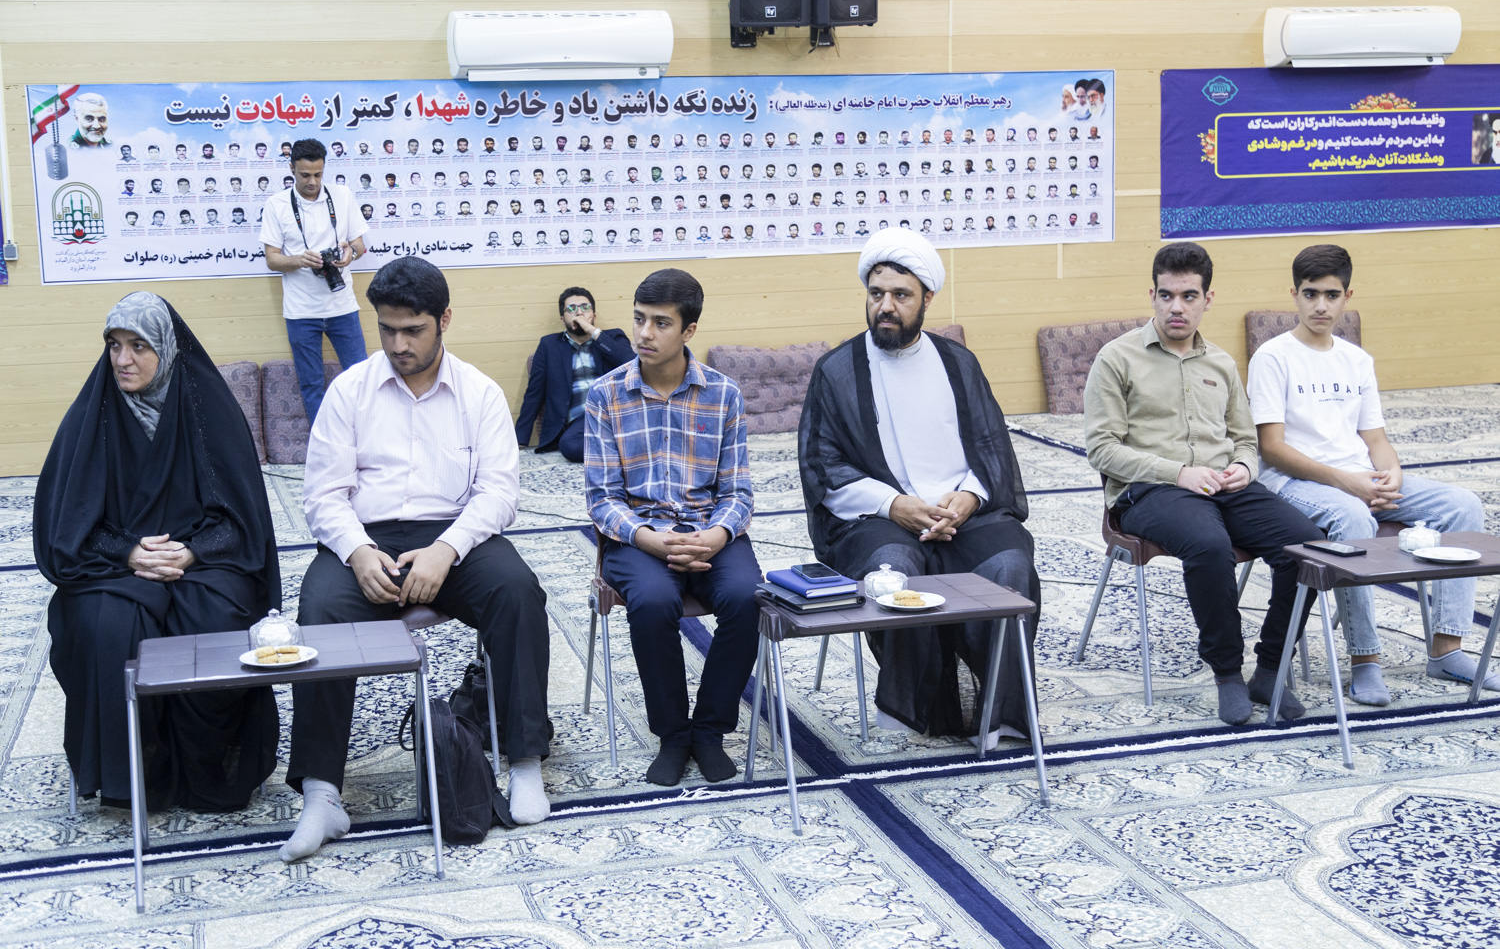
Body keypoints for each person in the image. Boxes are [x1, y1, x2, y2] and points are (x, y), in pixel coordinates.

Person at [281, 256, 552, 862]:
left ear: (444, 320)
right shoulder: (350, 391)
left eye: (413, 330)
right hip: (365, 535)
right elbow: (322, 495)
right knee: (319, 609)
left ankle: (524, 761)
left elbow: (499, 493)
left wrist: (446, 549)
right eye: (387, 329)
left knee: (517, 591)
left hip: (454, 534)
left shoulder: (479, 393)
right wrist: (357, 552)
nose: (399, 345)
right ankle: (322, 794)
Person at [34, 293, 280, 811]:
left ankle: (206, 769)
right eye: (114, 345)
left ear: (166, 349)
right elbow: (65, 527)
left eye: (139, 346)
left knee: (214, 618)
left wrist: (190, 551)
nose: (122, 360)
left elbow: (243, 521)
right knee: (106, 626)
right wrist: (128, 553)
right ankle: (137, 776)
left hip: (202, 560)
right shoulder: (91, 417)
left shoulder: (208, 410)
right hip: (112, 565)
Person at [798, 228, 1041, 742]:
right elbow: (822, 464)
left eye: (901, 295)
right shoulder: (837, 371)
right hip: (876, 518)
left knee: (1009, 565)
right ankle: (913, 711)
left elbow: (992, 445)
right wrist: (893, 504)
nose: (885, 306)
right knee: (893, 570)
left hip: (963, 514)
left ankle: (1002, 715)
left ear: (927, 298)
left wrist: (969, 497)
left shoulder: (958, 362)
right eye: (876, 293)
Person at [1084, 242, 1321, 725]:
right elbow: (1102, 450)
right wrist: (1178, 473)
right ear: (1152, 295)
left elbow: (1245, 440)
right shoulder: (1116, 358)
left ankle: (1271, 669)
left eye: (1189, 296)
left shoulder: (1221, 363)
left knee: (1308, 546)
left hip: (1224, 485)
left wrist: (1245, 468)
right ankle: (1227, 673)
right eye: (1167, 295)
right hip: (1151, 490)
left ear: (1207, 299)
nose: (1177, 307)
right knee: (1209, 545)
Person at [1248, 244, 1493, 701]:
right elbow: (1272, 449)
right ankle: (1365, 659)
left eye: (1331, 295)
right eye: (1310, 294)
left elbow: (1375, 440)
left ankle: (1447, 650)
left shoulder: (1356, 360)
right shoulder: (1273, 356)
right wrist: (1349, 484)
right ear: (1294, 295)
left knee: (1462, 505)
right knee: (1353, 518)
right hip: (1293, 483)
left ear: (1347, 296)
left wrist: (1391, 473)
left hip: (1359, 477)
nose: (1321, 306)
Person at [584, 270, 760, 787]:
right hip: (637, 536)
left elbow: (738, 492)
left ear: (689, 330)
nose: (644, 333)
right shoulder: (605, 395)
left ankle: (709, 730)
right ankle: (673, 735)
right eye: (639, 319)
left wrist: (715, 537)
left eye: (661, 323)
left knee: (748, 597)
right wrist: (652, 541)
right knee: (656, 600)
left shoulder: (723, 394)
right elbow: (602, 499)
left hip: (709, 531)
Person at [260, 138, 370, 424]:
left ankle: (366, 438)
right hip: (301, 312)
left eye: (318, 174)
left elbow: (360, 245)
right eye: (305, 175)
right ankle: (324, 444)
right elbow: (272, 259)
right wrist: (300, 260)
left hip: (342, 306)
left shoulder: (342, 195)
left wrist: (350, 253)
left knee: (361, 379)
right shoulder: (276, 204)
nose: (312, 182)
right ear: (291, 169)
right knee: (311, 386)